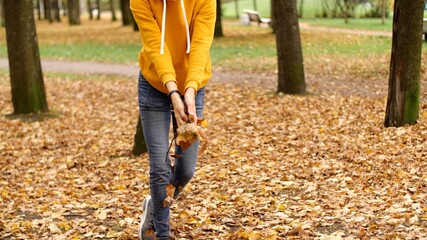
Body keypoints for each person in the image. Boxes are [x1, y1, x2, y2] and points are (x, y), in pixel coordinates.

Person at [130, 0, 216, 239]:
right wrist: (172, 91)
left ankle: (156, 206)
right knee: (159, 168)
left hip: (193, 84)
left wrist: (189, 90)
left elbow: (200, 45)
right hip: (154, 84)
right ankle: (161, 233)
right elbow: (155, 46)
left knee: (186, 170)